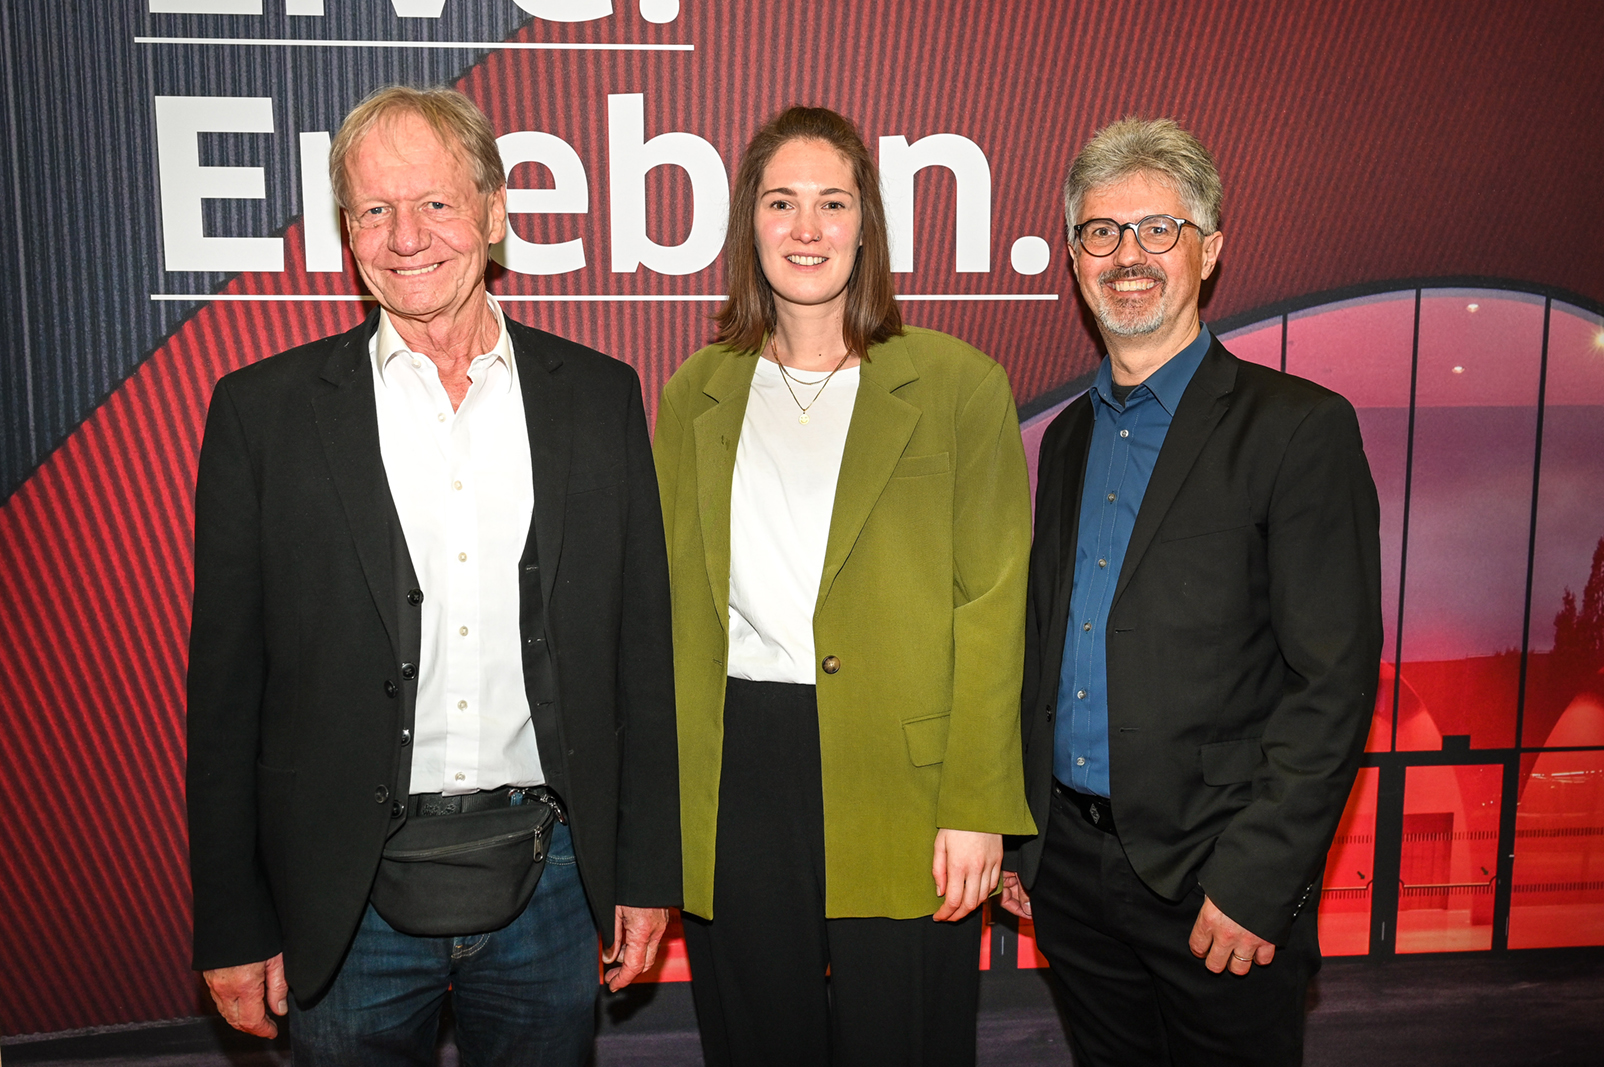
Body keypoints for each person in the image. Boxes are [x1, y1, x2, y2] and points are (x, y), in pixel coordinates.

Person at [186, 85, 679, 1065]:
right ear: (347, 231)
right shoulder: (263, 415)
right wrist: (231, 921)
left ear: (494, 213)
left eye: (435, 203)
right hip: (343, 897)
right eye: (374, 208)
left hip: (551, 879)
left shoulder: (597, 398)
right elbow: (226, 694)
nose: (405, 237)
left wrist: (646, 868)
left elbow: (641, 655)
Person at [653, 106, 1035, 1067]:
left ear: (867, 226)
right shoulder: (695, 392)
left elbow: (994, 609)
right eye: (781, 202)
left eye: (832, 202)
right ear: (750, 225)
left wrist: (978, 803)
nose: (808, 228)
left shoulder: (959, 384)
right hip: (740, 774)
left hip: (907, 781)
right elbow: (665, 614)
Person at [999, 116, 1383, 1065]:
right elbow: (1047, 645)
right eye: (1101, 232)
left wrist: (1257, 881)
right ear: (1074, 260)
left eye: (1158, 229)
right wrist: (1026, 841)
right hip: (1071, 878)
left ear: (1208, 251)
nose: (1127, 255)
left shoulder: (1298, 430)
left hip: (1217, 880)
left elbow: (1332, 681)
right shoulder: (1069, 439)